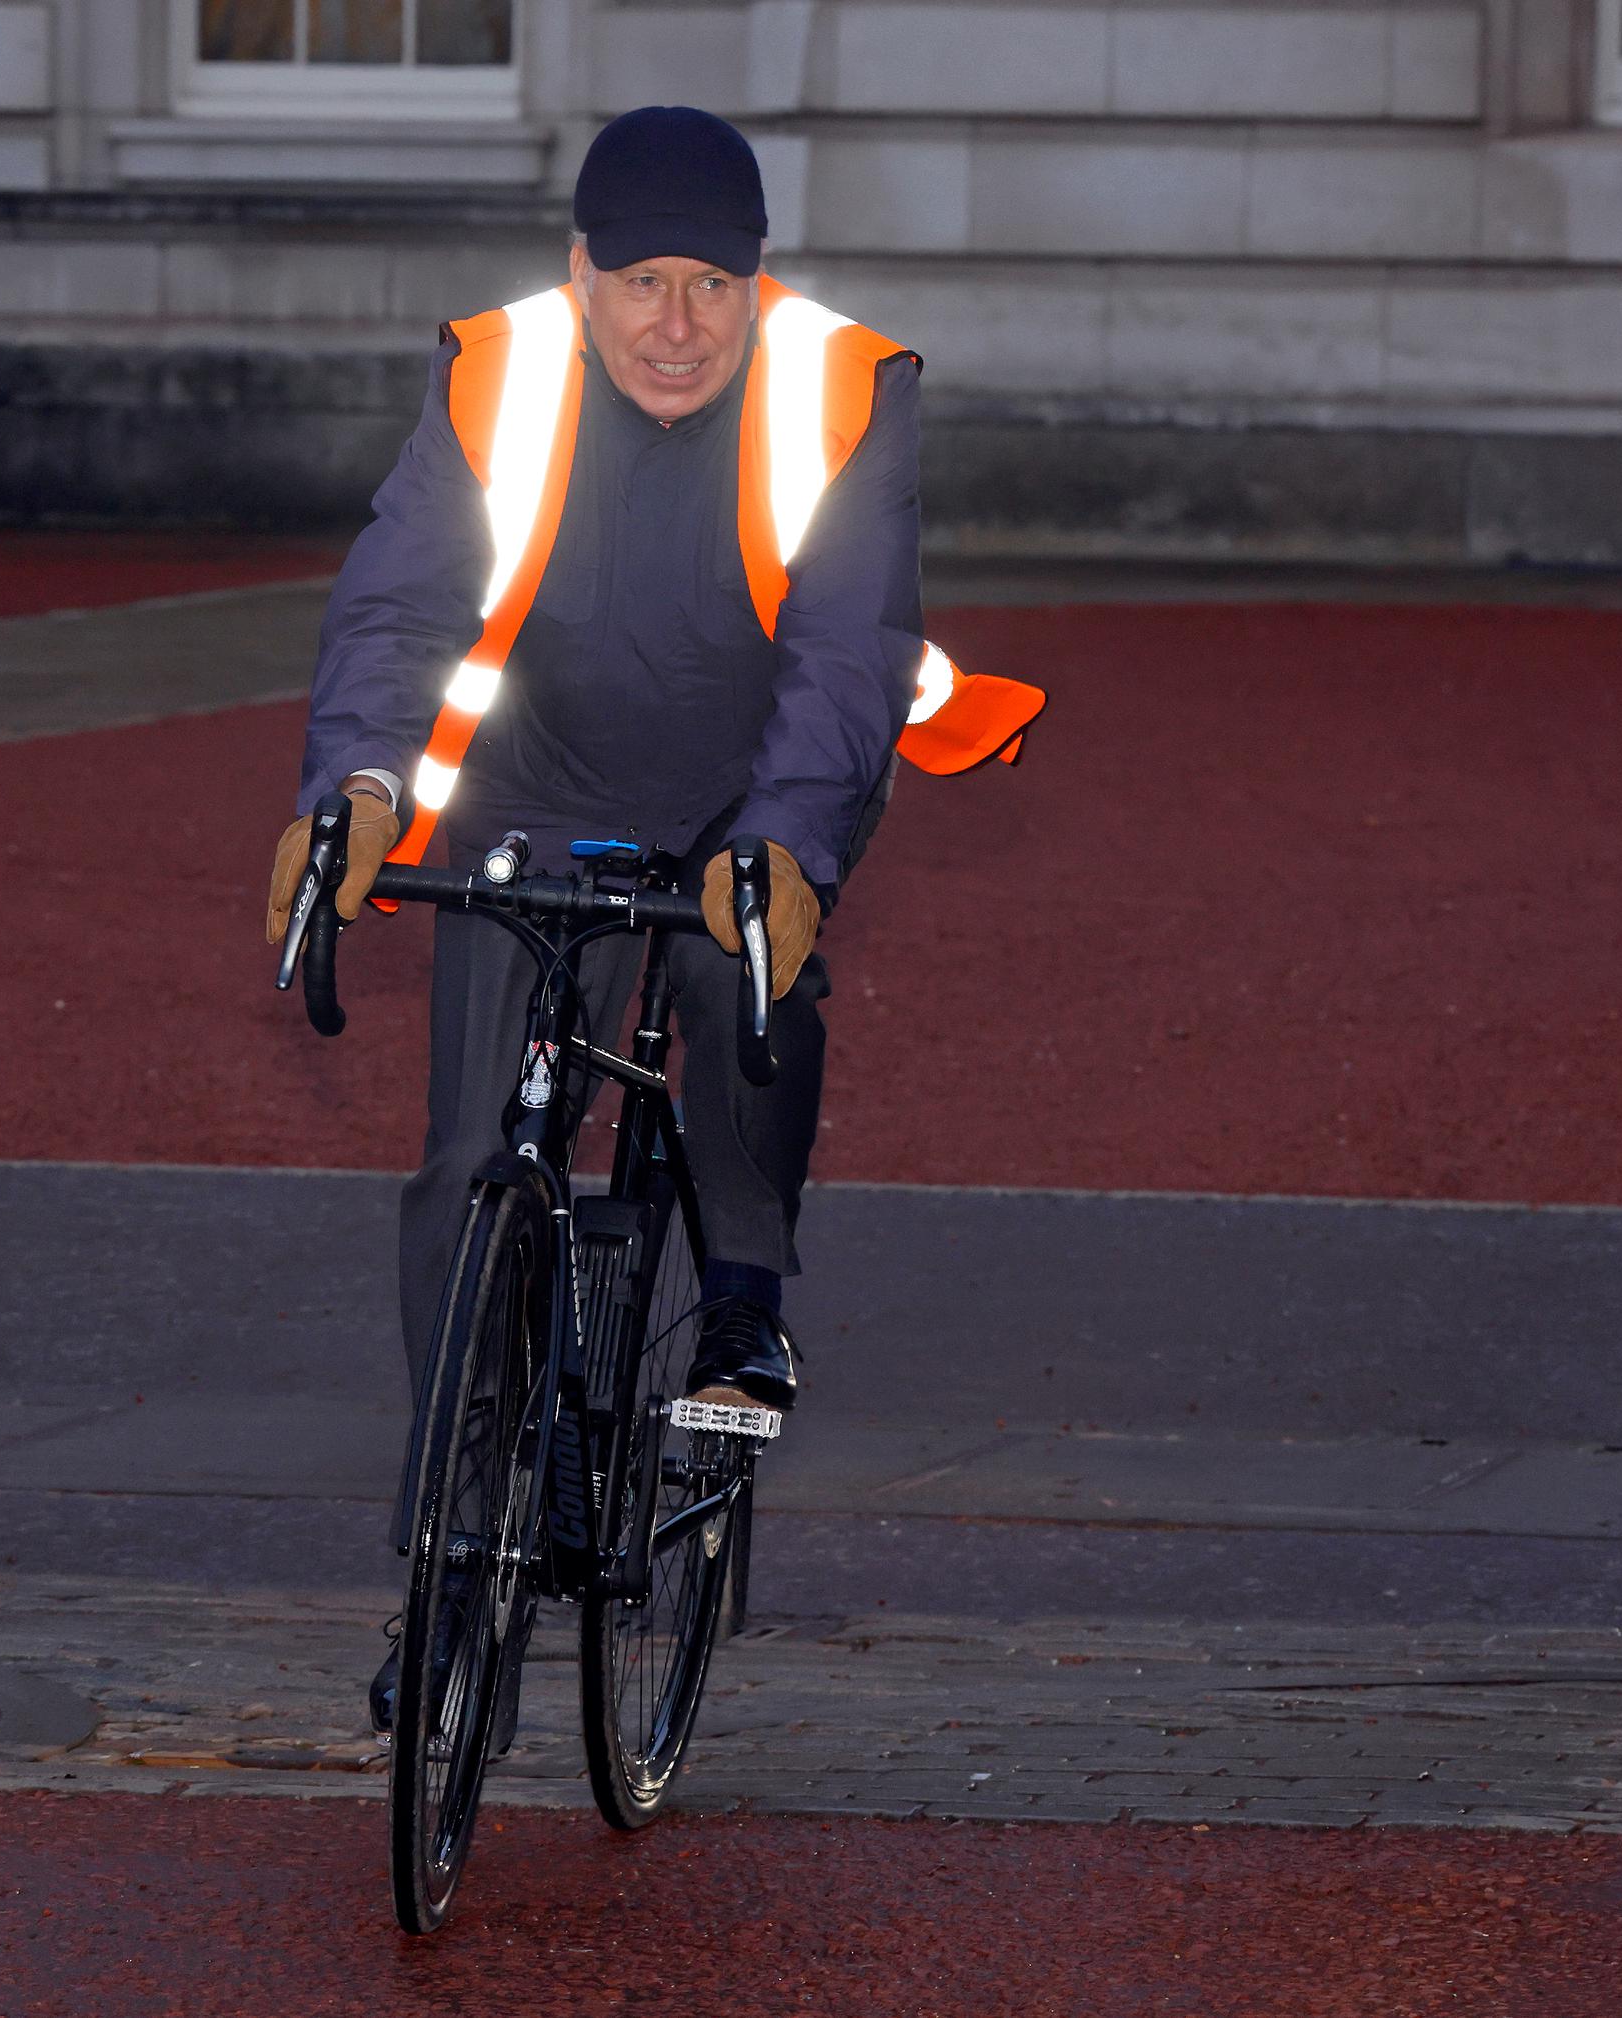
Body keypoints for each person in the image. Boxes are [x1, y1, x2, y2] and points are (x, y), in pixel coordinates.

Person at [263, 106, 1040, 1728]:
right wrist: (359, 789)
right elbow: (401, 598)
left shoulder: (843, 391)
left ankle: (742, 1303)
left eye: (711, 285)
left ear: (760, 288)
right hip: (531, 790)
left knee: (735, 968)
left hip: (749, 787)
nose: (675, 324)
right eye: (640, 283)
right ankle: (454, 1564)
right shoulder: (501, 372)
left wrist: (782, 850)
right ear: (579, 274)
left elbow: (845, 662)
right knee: (469, 1162)